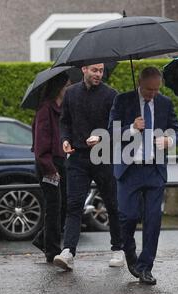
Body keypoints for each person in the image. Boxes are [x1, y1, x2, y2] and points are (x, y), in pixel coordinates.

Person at [108, 67, 178, 285]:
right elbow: (110, 133)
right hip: (129, 170)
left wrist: (170, 140)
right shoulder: (122, 101)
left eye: (157, 89)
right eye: (149, 89)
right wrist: (131, 128)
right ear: (140, 83)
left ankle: (145, 267)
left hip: (154, 170)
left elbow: (175, 128)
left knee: (153, 220)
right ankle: (130, 253)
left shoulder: (165, 103)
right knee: (127, 217)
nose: (153, 94)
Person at [52, 63, 124, 271]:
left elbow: (117, 127)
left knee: (112, 204)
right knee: (74, 204)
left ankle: (118, 250)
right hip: (77, 157)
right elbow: (64, 122)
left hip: (104, 155)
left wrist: (102, 136)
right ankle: (68, 252)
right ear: (84, 69)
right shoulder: (71, 93)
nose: (98, 74)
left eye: (101, 71)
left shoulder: (112, 95)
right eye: (94, 70)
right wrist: (65, 140)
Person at [31, 71, 73, 263]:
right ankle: (52, 251)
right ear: (59, 88)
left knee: (63, 206)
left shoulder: (62, 109)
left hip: (61, 162)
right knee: (54, 207)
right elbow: (41, 145)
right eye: (67, 86)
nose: (70, 89)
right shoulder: (45, 110)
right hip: (49, 165)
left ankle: (43, 239)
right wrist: (50, 169)